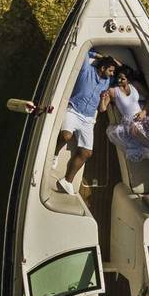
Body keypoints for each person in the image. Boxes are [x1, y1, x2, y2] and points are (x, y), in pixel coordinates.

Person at [53, 50, 118, 194]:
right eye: (110, 70)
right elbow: (83, 53)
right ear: (102, 68)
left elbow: (123, 70)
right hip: (74, 110)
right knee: (66, 136)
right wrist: (99, 56)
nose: (112, 73)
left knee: (87, 152)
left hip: (89, 118)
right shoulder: (86, 70)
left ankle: (67, 181)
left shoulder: (108, 81)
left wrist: (111, 61)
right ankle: (55, 153)